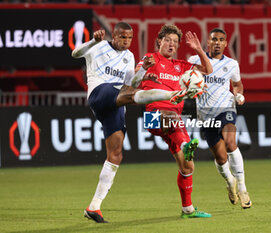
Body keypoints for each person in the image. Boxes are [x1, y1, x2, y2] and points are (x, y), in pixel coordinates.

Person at [72, 22, 195, 223]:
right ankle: (174, 95)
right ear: (114, 36)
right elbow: (75, 54)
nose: (126, 42)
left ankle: (94, 206)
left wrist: (143, 73)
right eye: (122, 37)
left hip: (119, 103)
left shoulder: (130, 56)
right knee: (134, 97)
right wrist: (92, 41)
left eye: (129, 38)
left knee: (116, 154)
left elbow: (132, 83)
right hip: (101, 93)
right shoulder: (99, 45)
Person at [135, 24, 213, 218]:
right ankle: (186, 143)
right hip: (153, 116)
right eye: (168, 40)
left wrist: (198, 50)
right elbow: (134, 77)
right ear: (159, 41)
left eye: (175, 42)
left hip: (172, 120)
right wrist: (145, 72)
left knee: (188, 166)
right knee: (172, 117)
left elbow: (208, 70)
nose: (171, 44)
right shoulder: (150, 58)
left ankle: (187, 209)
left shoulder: (181, 66)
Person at [188, 28, 252, 209]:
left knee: (231, 142)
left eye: (221, 40)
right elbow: (185, 79)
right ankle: (230, 182)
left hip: (226, 108)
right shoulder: (194, 61)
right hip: (205, 115)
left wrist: (238, 94)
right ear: (208, 42)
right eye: (214, 39)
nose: (217, 42)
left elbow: (238, 84)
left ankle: (242, 187)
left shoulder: (232, 64)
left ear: (225, 44)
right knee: (221, 157)